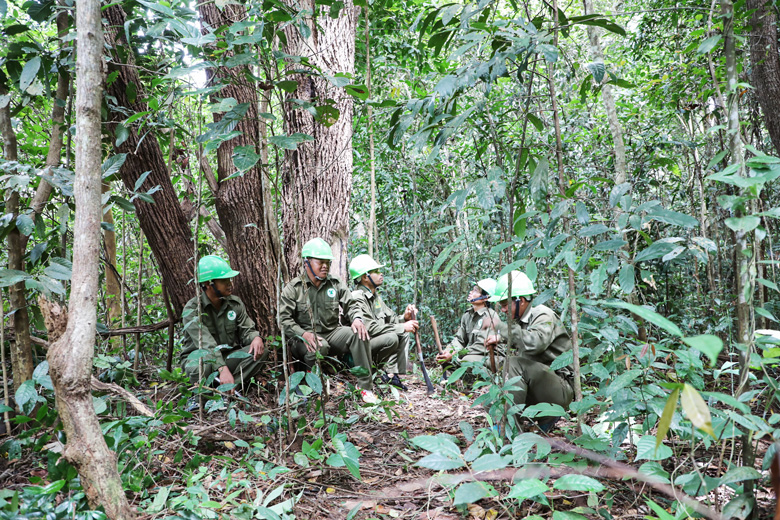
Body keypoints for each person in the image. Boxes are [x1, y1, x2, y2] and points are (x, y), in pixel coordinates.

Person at [279, 238, 377, 403]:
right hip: (303, 339)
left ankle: (365, 387)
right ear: (307, 263)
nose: (325, 266)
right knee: (320, 346)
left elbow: (351, 305)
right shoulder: (293, 288)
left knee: (359, 334)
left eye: (327, 262)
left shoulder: (335, 284)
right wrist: (303, 334)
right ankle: (313, 388)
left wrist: (357, 318)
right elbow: (283, 320)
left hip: (332, 332)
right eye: (320, 262)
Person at [484, 271, 573, 431]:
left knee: (513, 364)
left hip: (561, 389)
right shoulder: (521, 323)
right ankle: (544, 417)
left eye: (505, 304)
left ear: (521, 301)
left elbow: (536, 343)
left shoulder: (542, 314)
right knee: (490, 399)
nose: (503, 310)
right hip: (542, 385)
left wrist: (501, 328)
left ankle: (508, 430)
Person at [180, 255, 267, 392]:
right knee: (201, 368)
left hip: (227, 356)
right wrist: (222, 368)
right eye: (224, 280)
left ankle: (228, 388)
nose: (230, 283)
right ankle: (204, 394)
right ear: (209, 284)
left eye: (229, 279)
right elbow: (206, 345)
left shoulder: (234, 304)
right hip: (201, 359)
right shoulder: (192, 310)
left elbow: (247, 330)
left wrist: (256, 338)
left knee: (260, 352)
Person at [348, 254, 418, 391]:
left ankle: (392, 375)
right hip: (359, 351)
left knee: (402, 332)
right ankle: (371, 371)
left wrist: (405, 317)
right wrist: (402, 326)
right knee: (393, 336)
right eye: (375, 272)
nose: (381, 274)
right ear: (364, 277)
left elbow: (392, 320)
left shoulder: (375, 297)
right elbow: (371, 329)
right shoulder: (357, 297)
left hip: (373, 344)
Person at [435, 279, 503, 377]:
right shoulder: (467, 315)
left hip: (490, 357)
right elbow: (459, 339)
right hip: (472, 354)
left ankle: (489, 379)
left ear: (485, 298)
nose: (471, 292)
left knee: (466, 361)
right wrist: (448, 351)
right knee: (446, 360)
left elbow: (481, 346)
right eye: (472, 289)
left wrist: (455, 355)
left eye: (475, 290)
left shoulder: (491, 317)